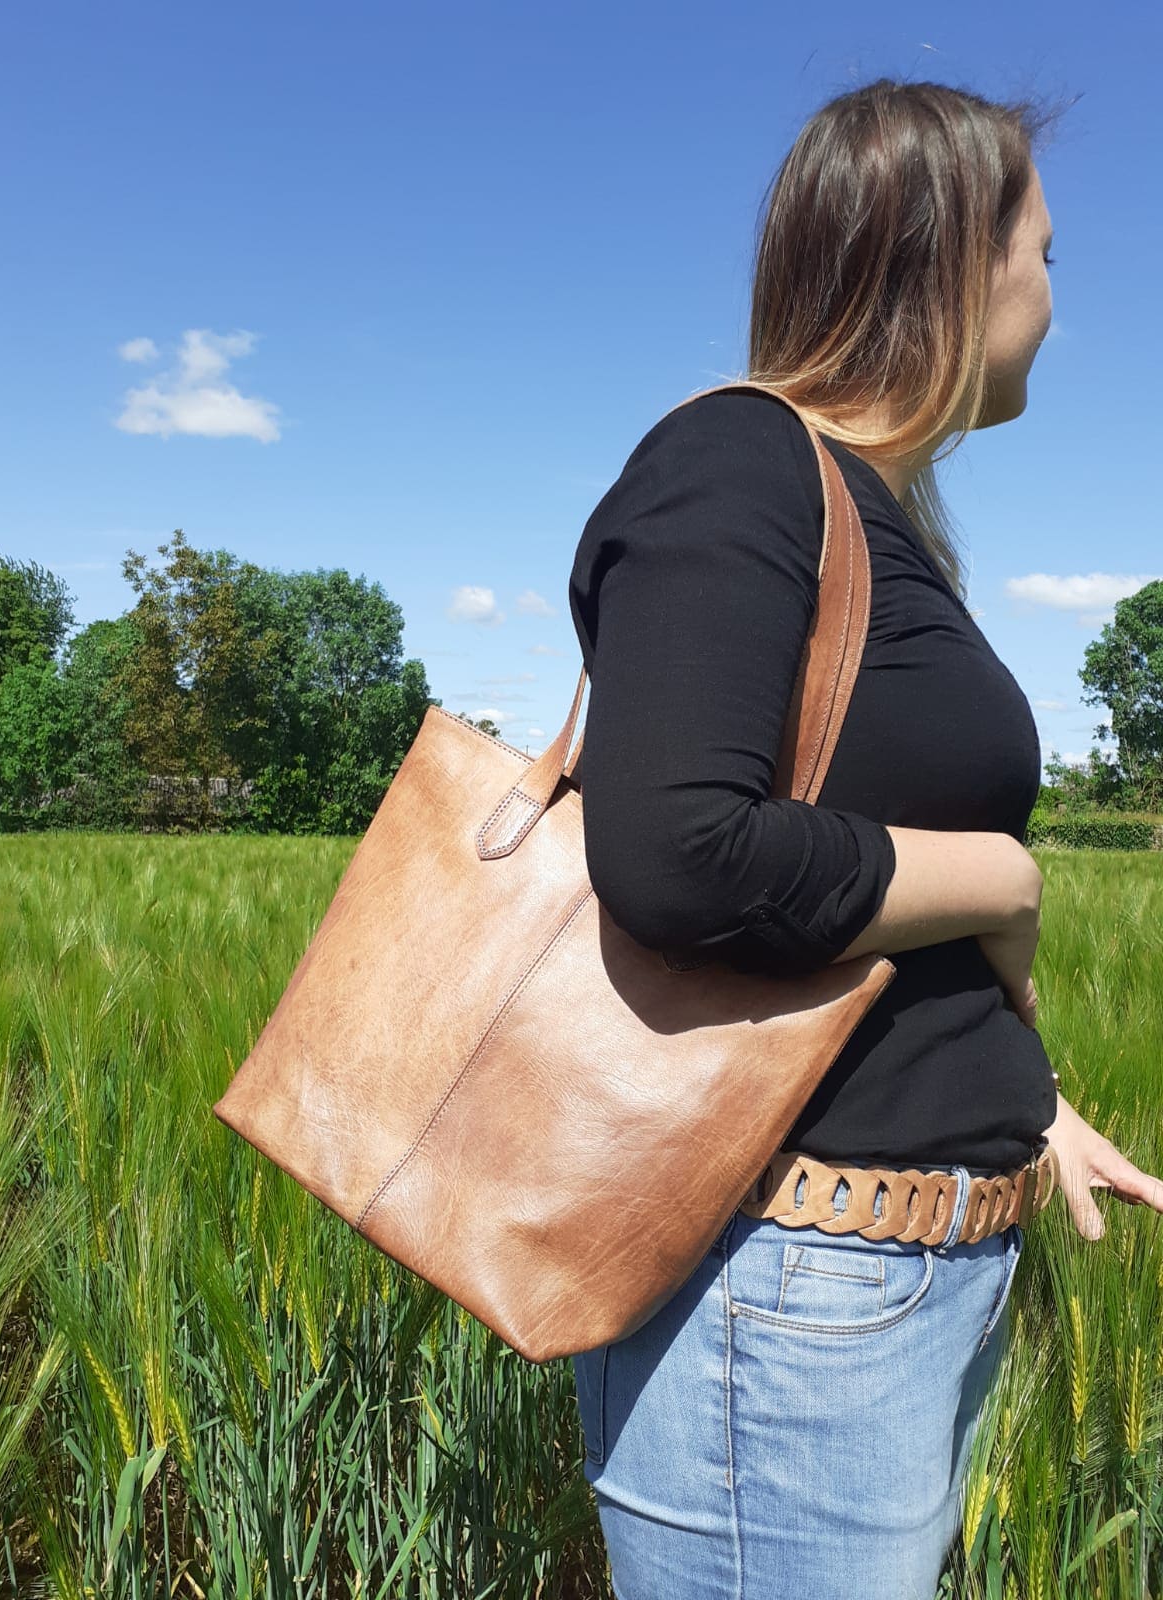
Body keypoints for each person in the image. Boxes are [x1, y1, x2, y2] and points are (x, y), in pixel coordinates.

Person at [566, 77, 1163, 1600]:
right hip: (790, 1297)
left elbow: (854, 908)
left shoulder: (877, 523)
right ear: (956, 261)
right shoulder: (739, 464)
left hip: (883, 1288)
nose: (1055, 292)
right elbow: (678, 852)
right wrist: (1002, 874)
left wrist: (1022, 1102)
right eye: (1044, 250)